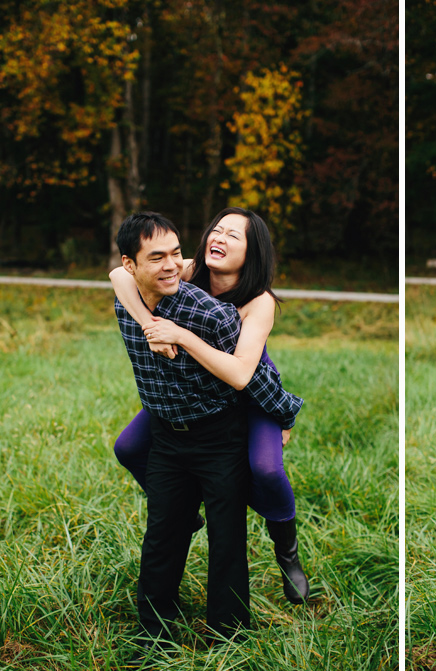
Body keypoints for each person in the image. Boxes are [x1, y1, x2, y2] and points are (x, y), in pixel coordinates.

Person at [112, 212, 303, 658]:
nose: (218, 237)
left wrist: (283, 415)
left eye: (232, 235)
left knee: (265, 470)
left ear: (250, 251)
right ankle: (154, 629)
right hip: (178, 413)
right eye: (216, 229)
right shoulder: (185, 271)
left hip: (246, 386)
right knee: (140, 469)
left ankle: (283, 556)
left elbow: (243, 375)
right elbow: (120, 276)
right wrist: (147, 323)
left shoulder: (258, 302)